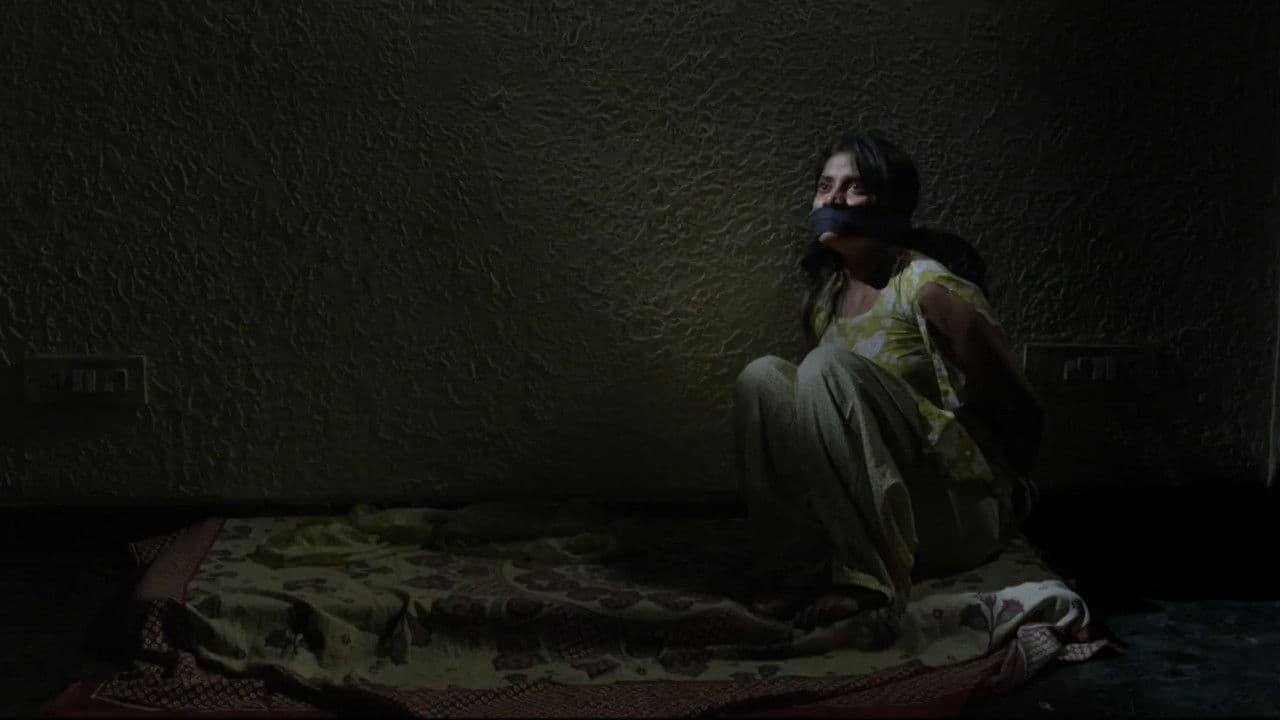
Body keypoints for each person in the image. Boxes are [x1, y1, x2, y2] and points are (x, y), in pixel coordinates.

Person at [733, 129, 1044, 631]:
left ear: (892, 204)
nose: (832, 200)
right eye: (824, 186)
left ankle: (868, 581)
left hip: (951, 508)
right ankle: (798, 566)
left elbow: (1023, 407)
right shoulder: (826, 296)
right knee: (763, 377)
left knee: (827, 367)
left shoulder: (928, 288)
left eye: (853, 187)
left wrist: (1007, 498)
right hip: (877, 512)